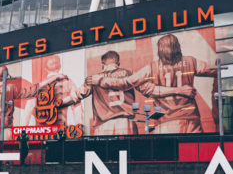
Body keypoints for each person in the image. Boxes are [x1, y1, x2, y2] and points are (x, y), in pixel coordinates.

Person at [85, 33, 218, 133]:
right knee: (198, 155)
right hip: (192, 119)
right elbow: (216, 70)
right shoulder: (191, 61)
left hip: (167, 122)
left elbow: (126, 82)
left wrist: (102, 80)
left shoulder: (151, 68)